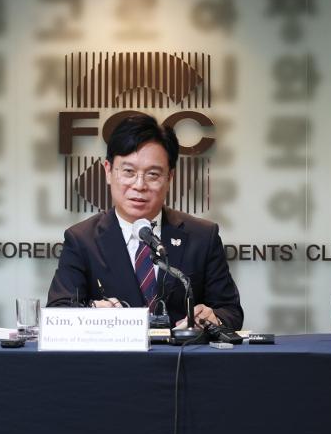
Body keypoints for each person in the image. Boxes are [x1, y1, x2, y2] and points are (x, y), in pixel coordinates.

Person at [47, 114, 243, 329]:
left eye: (152, 174)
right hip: (114, 360)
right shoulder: (82, 239)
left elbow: (230, 311)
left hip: (181, 359)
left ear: (170, 178)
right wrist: (94, 311)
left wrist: (211, 318)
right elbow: (58, 311)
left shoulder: (202, 236)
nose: (139, 185)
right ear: (108, 171)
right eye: (129, 172)